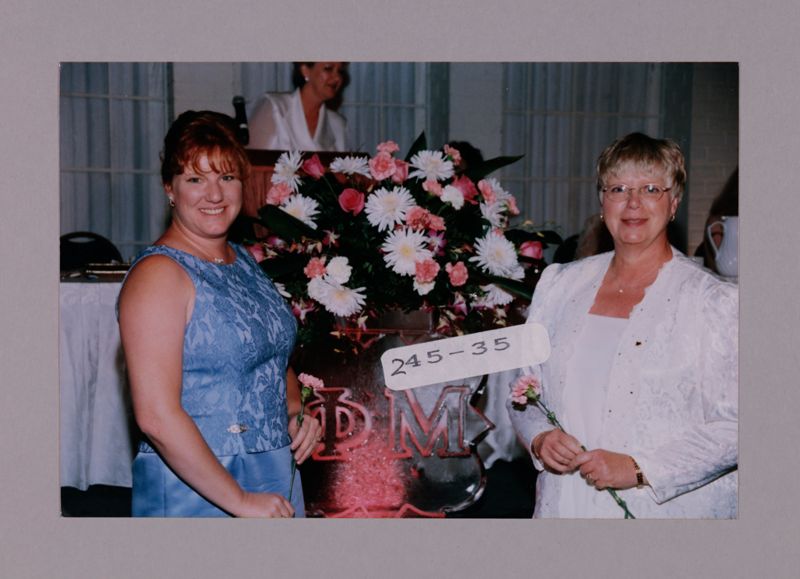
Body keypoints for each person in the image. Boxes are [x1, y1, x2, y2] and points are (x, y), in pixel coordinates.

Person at [508, 132, 738, 518]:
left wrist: (639, 467)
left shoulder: (715, 302)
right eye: (618, 188)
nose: (633, 202)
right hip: (565, 504)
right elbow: (523, 387)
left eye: (650, 188)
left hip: (659, 511)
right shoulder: (558, 284)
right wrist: (539, 438)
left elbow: (738, 425)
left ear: (674, 202)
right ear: (603, 202)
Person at [118, 110, 321, 517]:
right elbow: (156, 416)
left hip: (273, 469)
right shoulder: (158, 275)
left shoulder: (243, 260)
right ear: (170, 189)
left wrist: (299, 412)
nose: (214, 194)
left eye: (226, 177)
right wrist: (239, 500)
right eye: (196, 179)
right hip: (200, 484)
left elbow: (270, 357)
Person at [247, 62, 349, 152]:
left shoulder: (338, 124)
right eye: (328, 68)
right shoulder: (274, 107)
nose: (337, 78)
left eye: (340, 71)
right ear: (305, 70)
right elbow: (252, 164)